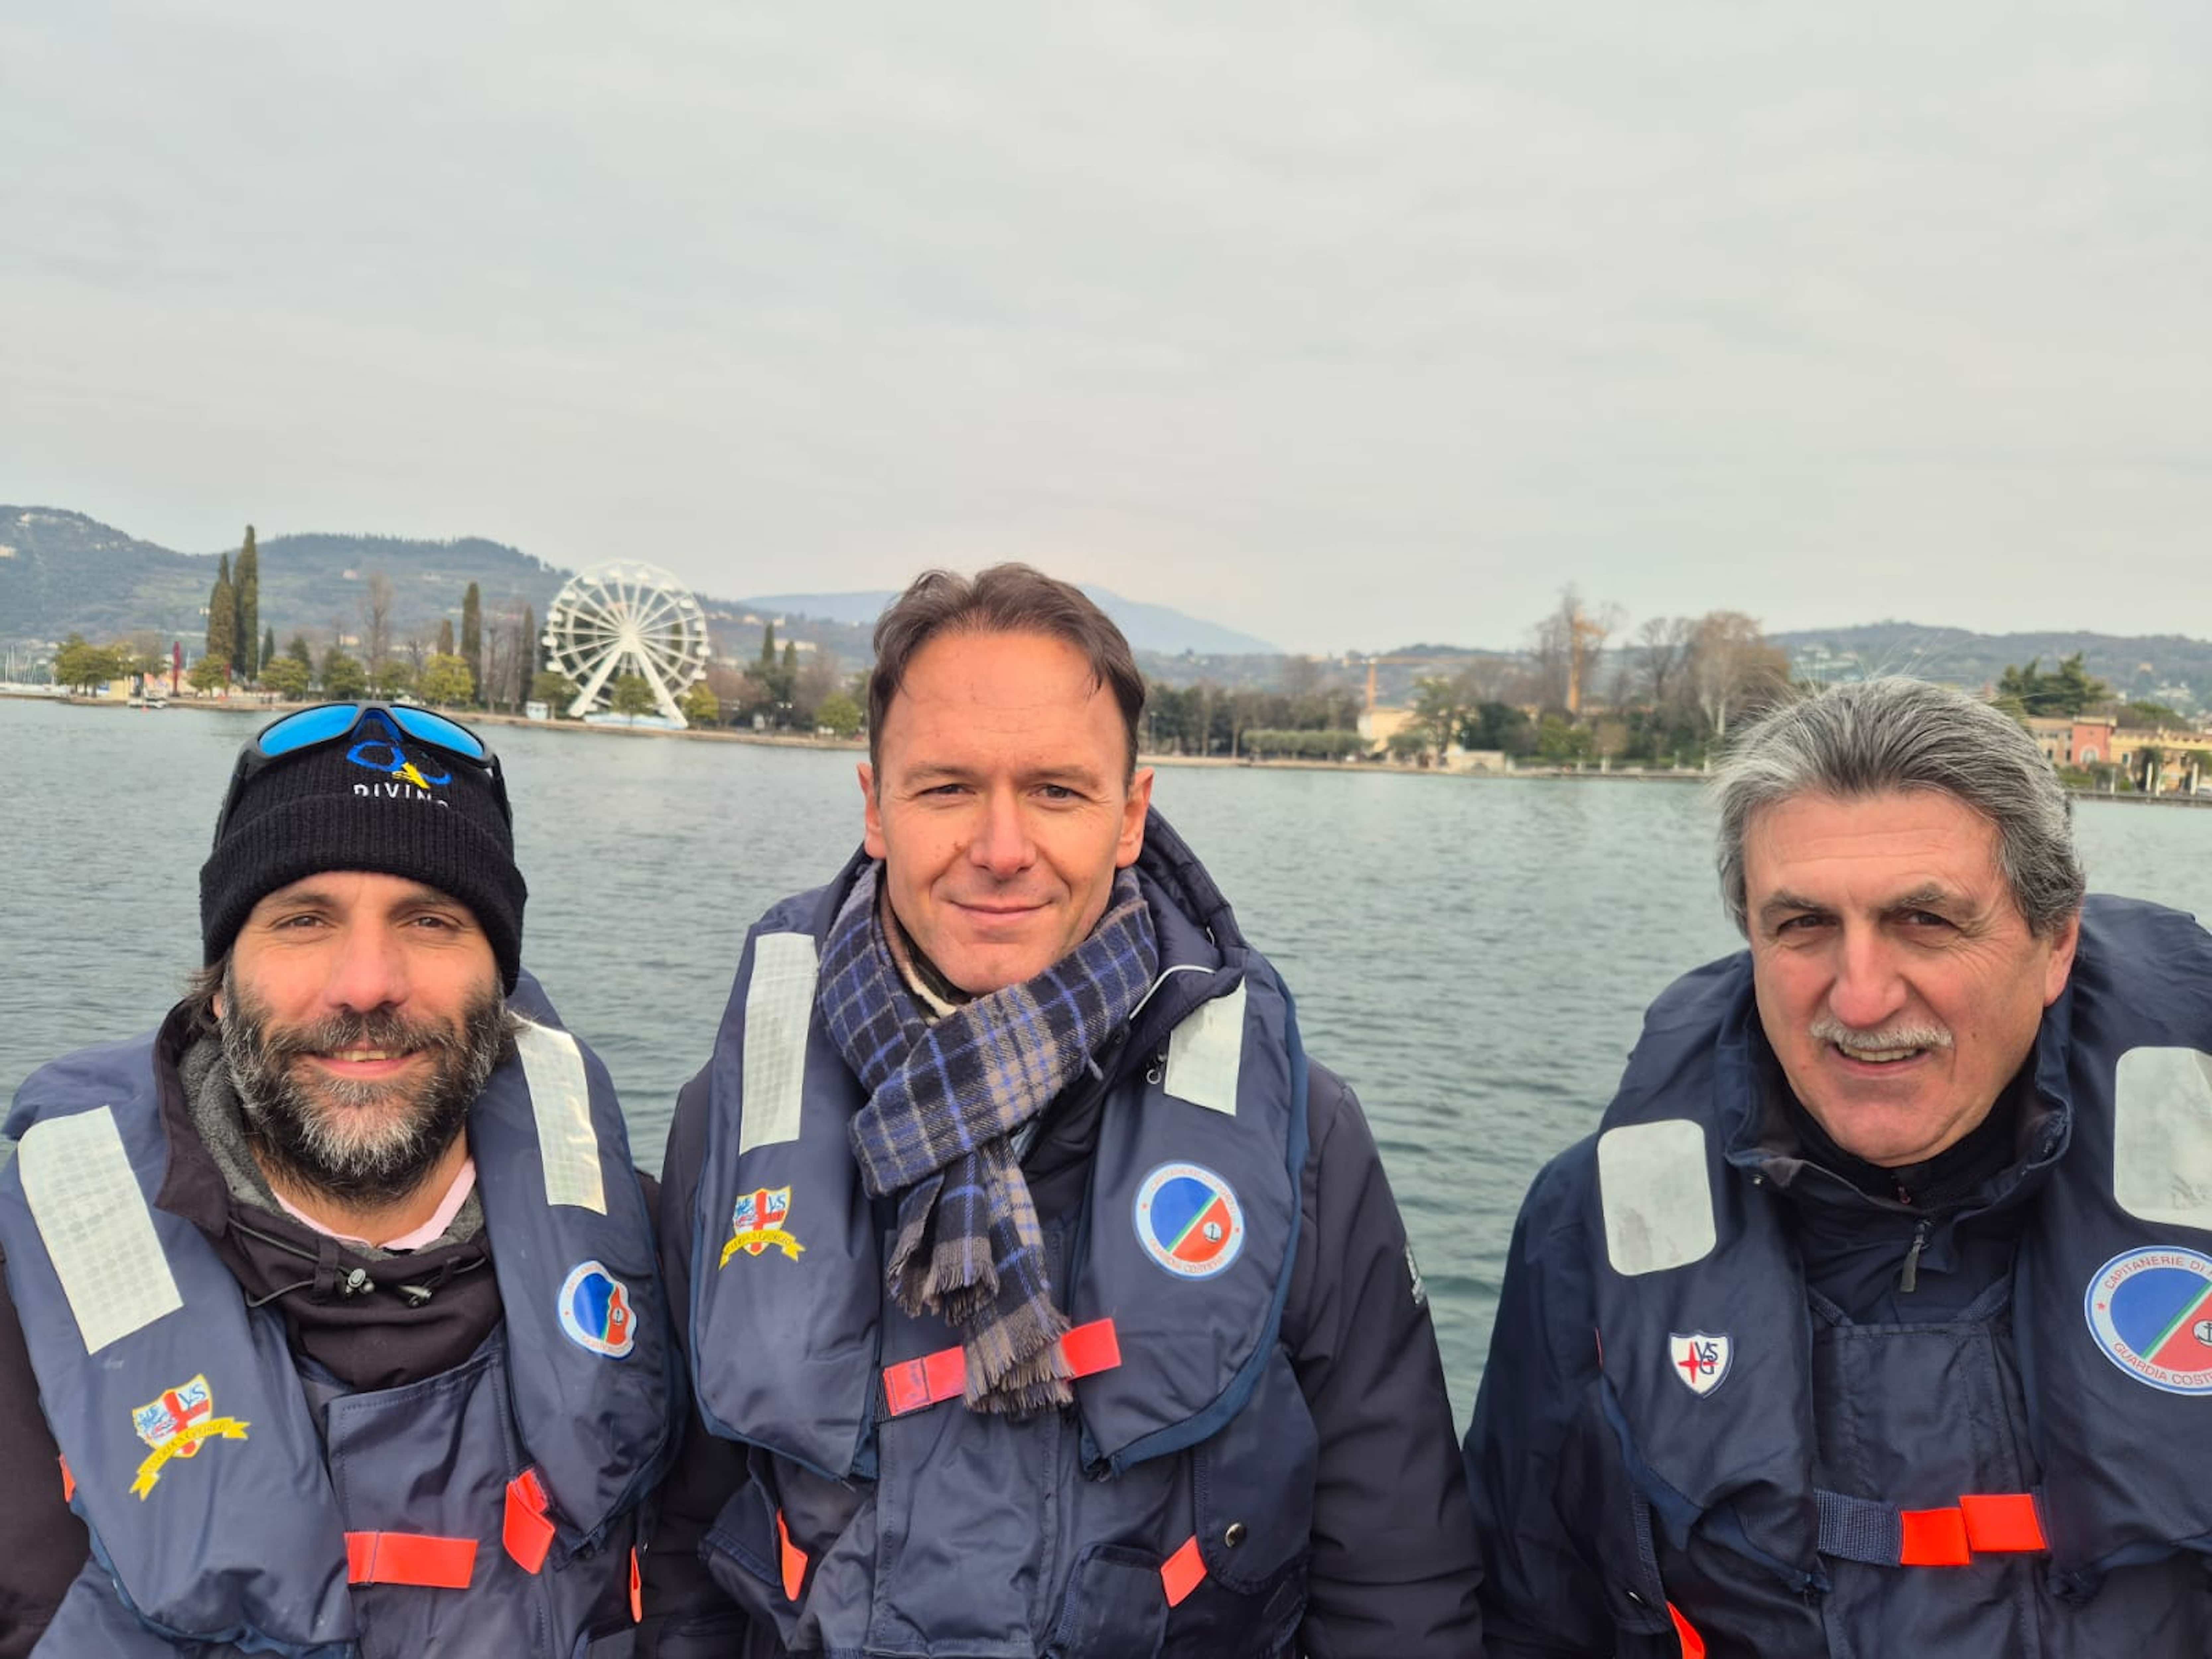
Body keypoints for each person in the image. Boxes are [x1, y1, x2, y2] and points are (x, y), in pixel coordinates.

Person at [642, 566, 1482, 1658]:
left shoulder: (1301, 1133)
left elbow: (1394, 1570)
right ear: (874, 807)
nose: (1000, 850)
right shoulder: (737, 1118)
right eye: (946, 788)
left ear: (1130, 816)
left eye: (1056, 791)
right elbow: (678, 1537)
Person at [1463, 677, 2212, 1657]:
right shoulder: (1592, 1222)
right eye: (1803, 925)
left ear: (2052, 942)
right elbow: (1532, 1605)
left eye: (1926, 922)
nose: (1858, 998)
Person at [0, 703, 674, 1657]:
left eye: (431, 921)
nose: (366, 983)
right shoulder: (23, 1297)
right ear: (223, 980)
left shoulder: (650, 1257)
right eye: (304, 920)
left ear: (502, 984)